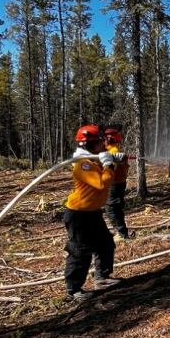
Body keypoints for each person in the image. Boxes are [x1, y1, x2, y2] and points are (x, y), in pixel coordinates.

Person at [64, 124, 125, 301]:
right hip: (78, 214)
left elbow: (105, 167)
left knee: (105, 244)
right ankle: (74, 289)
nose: (103, 144)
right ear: (89, 145)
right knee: (80, 251)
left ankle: (102, 278)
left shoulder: (92, 160)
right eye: (100, 142)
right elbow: (102, 183)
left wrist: (113, 159)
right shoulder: (82, 164)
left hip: (92, 212)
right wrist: (109, 164)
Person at [104, 125, 131, 239]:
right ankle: (122, 232)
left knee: (111, 209)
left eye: (104, 139)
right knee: (116, 209)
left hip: (114, 184)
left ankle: (121, 234)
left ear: (109, 139)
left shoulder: (113, 152)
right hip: (118, 183)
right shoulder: (111, 151)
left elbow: (110, 168)